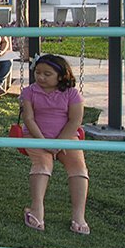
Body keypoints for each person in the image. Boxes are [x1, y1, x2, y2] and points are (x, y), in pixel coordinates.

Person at [19, 54, 89, 235]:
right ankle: (37, 210)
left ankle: (79, 216)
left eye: (47, 74)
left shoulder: (72, 94)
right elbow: (29, 119)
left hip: (66, 137)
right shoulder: (29, 92)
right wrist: (44, 142)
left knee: (78, 167)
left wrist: (58, 143)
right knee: (43, 164)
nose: (41, 77)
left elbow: (75, 121)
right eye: (38, 72)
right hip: (35, 136)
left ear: (61, 76)